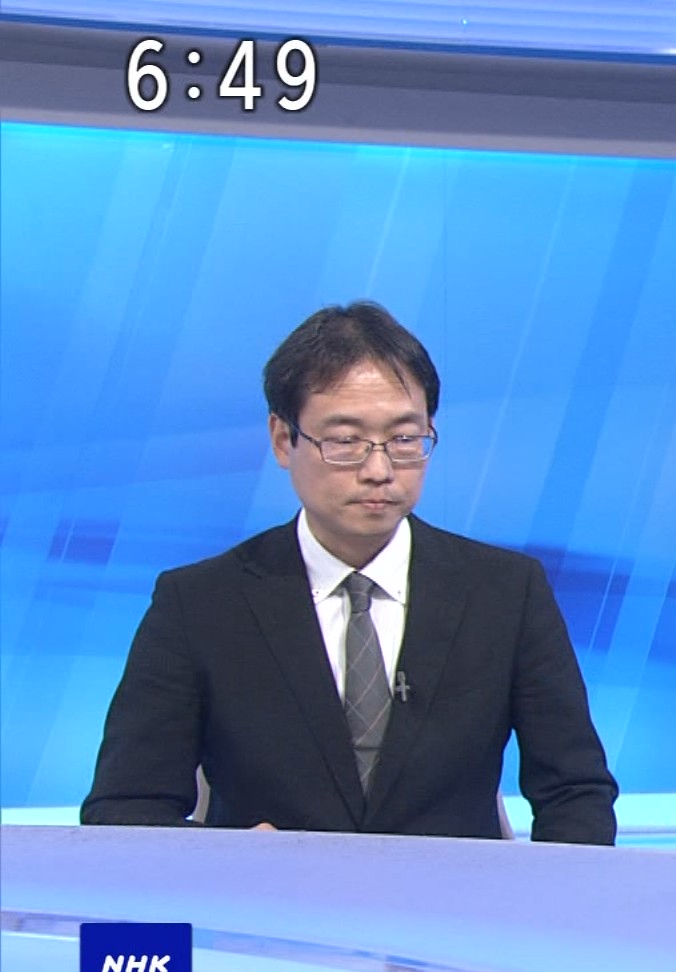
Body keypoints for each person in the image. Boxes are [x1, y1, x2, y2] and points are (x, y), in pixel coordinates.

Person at [82, 301, 619, 844]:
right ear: (283, 439)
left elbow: (576, 793)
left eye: (404, 439)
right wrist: (224, 856)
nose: (379, 470)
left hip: (452, 896)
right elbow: (124, 807)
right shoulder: (199, 604)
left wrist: (547, 894)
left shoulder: (505, 593)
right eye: (345, 442)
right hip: (269, 897)